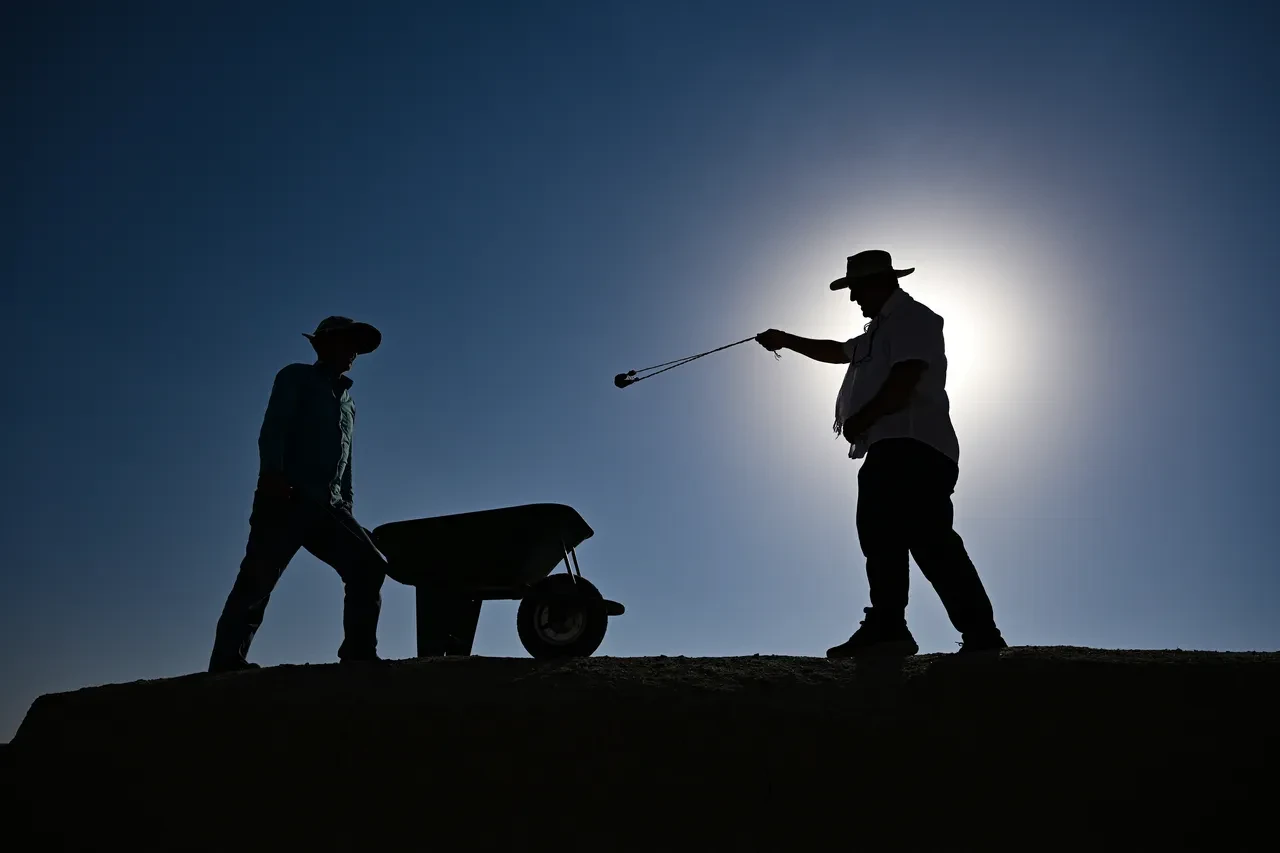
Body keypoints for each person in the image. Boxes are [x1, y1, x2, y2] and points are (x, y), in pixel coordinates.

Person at [756, 250, 1007, 658]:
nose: (853, 298)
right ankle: (896, 627)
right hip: (897, 447)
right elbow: (838, 351)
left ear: (878, 283)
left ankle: (965, 631)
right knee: (888, 536)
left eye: (855, 288)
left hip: (912, 445)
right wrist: (786, 340)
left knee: (924, 540)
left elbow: (906, 376)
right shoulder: (879, 330)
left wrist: (863, 419)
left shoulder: (913, 318)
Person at [208, 316, 390, 672]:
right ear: (323, 345)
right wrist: (272, 475)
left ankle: (358, 654)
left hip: (330, 508)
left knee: (369, 565)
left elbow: (346, 458)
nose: (352, 352)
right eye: (345, 343)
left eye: (356, 347)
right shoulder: (295, 377)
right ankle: (227, 661)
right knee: (258, 579)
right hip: (287, 497)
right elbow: (274, 426)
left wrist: (346, 501)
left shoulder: (349, 403)